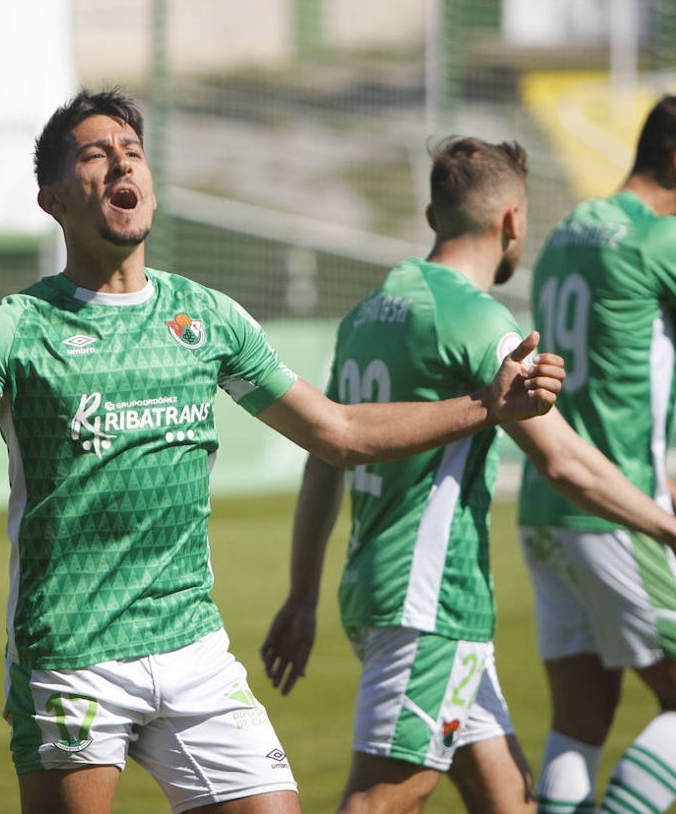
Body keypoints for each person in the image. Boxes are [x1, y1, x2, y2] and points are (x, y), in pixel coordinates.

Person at [0, 90, 565, 814]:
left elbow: (341, 434)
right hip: (73, 657)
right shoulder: (14, 328)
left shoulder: (207, 317)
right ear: (52, 199)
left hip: (192, 651)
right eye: (94, 153)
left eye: (133, 150)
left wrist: (487, 405)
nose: (121, 161)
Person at [259, 136, 676, 814]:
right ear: (513, 221)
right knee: (381, 800)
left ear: (432, 218)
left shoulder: (369, 314)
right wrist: (666, 525)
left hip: (382, 592)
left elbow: (323, 462)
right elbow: (562, 458)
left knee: (510, 798)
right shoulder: (479, 320)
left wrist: (302, 595)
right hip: (430, 600)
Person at [517, 96, 676, 814]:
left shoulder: (570, 229)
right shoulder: (656, 238)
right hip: (620, 503)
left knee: (581, 719)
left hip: (547, 508)